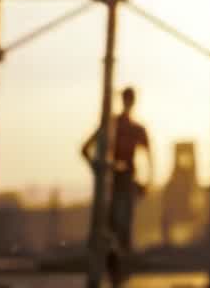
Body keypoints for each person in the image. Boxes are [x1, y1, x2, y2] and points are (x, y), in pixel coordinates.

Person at [81, 86, 152, 284]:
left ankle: (118, 275)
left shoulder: (136, 129)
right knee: (110, 232)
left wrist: (145, 183)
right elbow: (85, 149)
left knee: (120, 233)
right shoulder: (113, 125)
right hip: (112, 184)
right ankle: (114, 273)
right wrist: (101, 169)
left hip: (124, 183)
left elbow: (148, 158)